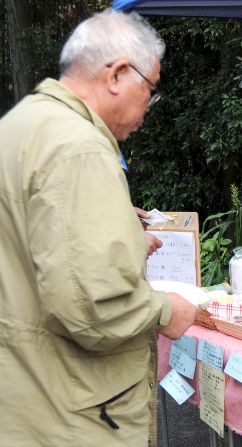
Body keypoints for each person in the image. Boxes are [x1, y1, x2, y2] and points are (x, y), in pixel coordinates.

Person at [0, 9, 196, 446]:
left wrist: (127, 237)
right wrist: (166, 311)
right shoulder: (80, 148)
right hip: (75, 412)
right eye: (150, 89)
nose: (149, 106)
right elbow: (92, 305)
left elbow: (37, 250)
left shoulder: (18, 126)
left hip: (24, 395)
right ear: (118, 75)